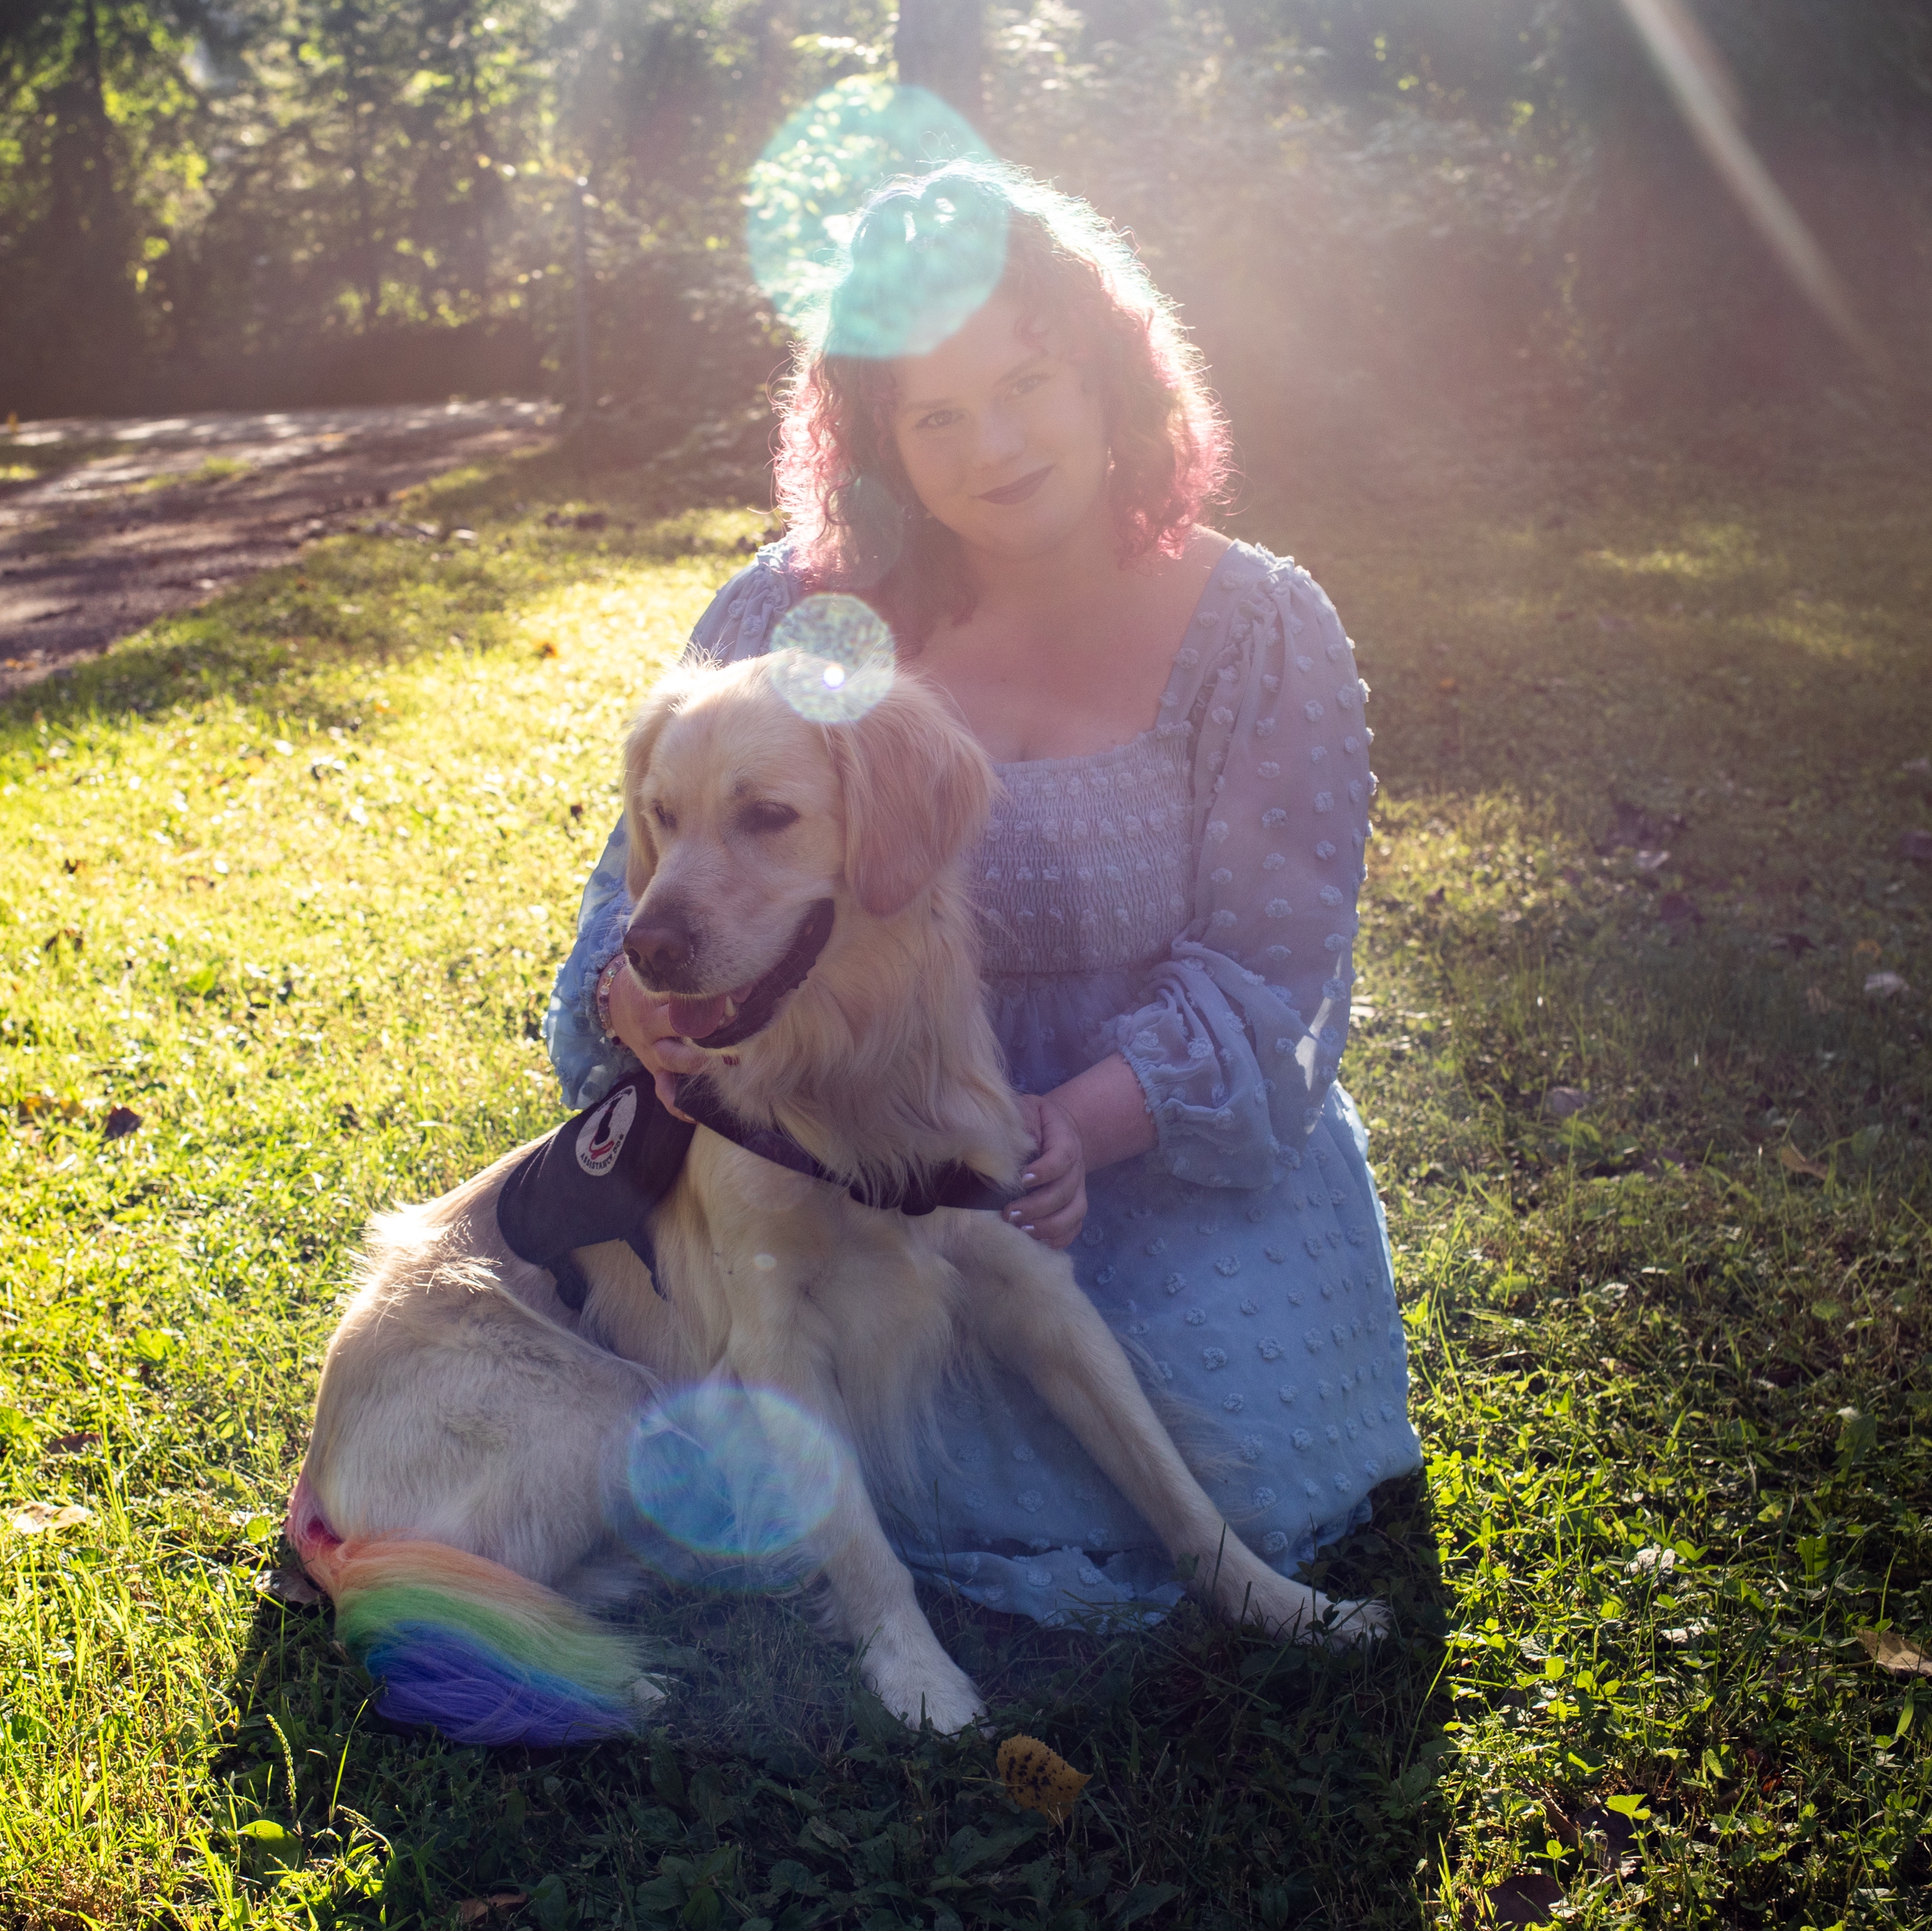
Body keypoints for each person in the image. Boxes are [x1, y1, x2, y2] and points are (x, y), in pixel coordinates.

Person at [542, 159, 1421, 1622]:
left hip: (1135, 1149)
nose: (993, 444)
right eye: (933, 414)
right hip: (826, 1134)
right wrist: (639, 1005)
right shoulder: (794, 608)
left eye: (1030, 384)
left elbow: (1273, 969)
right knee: (800, 1386)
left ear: (1108, 380)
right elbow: (638, 883)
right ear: (877, 442)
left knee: (1237, 1457)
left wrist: (1066, 1130)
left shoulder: (1259, 627)